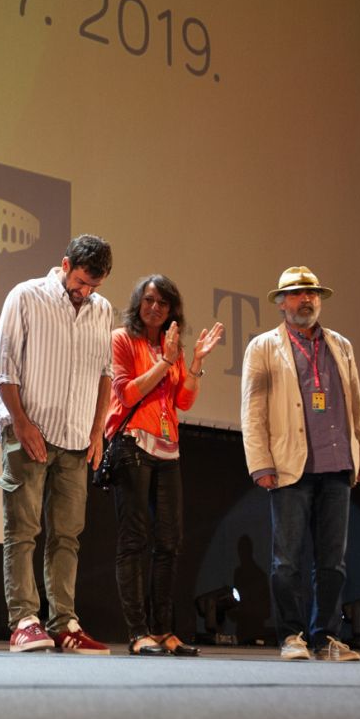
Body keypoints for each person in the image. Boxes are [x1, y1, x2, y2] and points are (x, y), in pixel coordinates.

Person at [240, 266, 360, 662]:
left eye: (312, 293)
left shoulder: (340, 345)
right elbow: (252, 411)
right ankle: (291, 635)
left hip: (337, 462)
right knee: (287, 561)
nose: (307, 299)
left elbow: (356, 403)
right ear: (281, 303)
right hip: (289, 465)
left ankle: (326, 636)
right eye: (298, 293)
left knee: (333, 562)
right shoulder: (263, 346)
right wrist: (260, 463)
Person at [0, 234, 115, 654]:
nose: (85, 292)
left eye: (94, 286)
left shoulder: (102, 310)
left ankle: (64, 623)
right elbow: (3, 368)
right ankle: (24, 620)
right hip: (29, 432)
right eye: (80, 282)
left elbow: (105, 373)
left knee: (67, 536)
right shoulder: (26, 297)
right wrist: (21, 423)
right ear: (65, 265)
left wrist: (97, 431)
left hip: (77, 438)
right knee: (23, 529)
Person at [103, 275, 223, 655]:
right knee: (134, 540)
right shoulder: (122, 339)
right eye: (149, 300)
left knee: (169, 543)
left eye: (163, 303)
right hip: (132, 445)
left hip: (168, 450)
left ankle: (163, 630)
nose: (155, 308)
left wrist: (195, 363)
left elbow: (183, 402)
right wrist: (165, 362)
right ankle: (138, 632)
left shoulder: (174, 348)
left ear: (172, 310)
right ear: (138, 303)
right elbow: (126, 393)